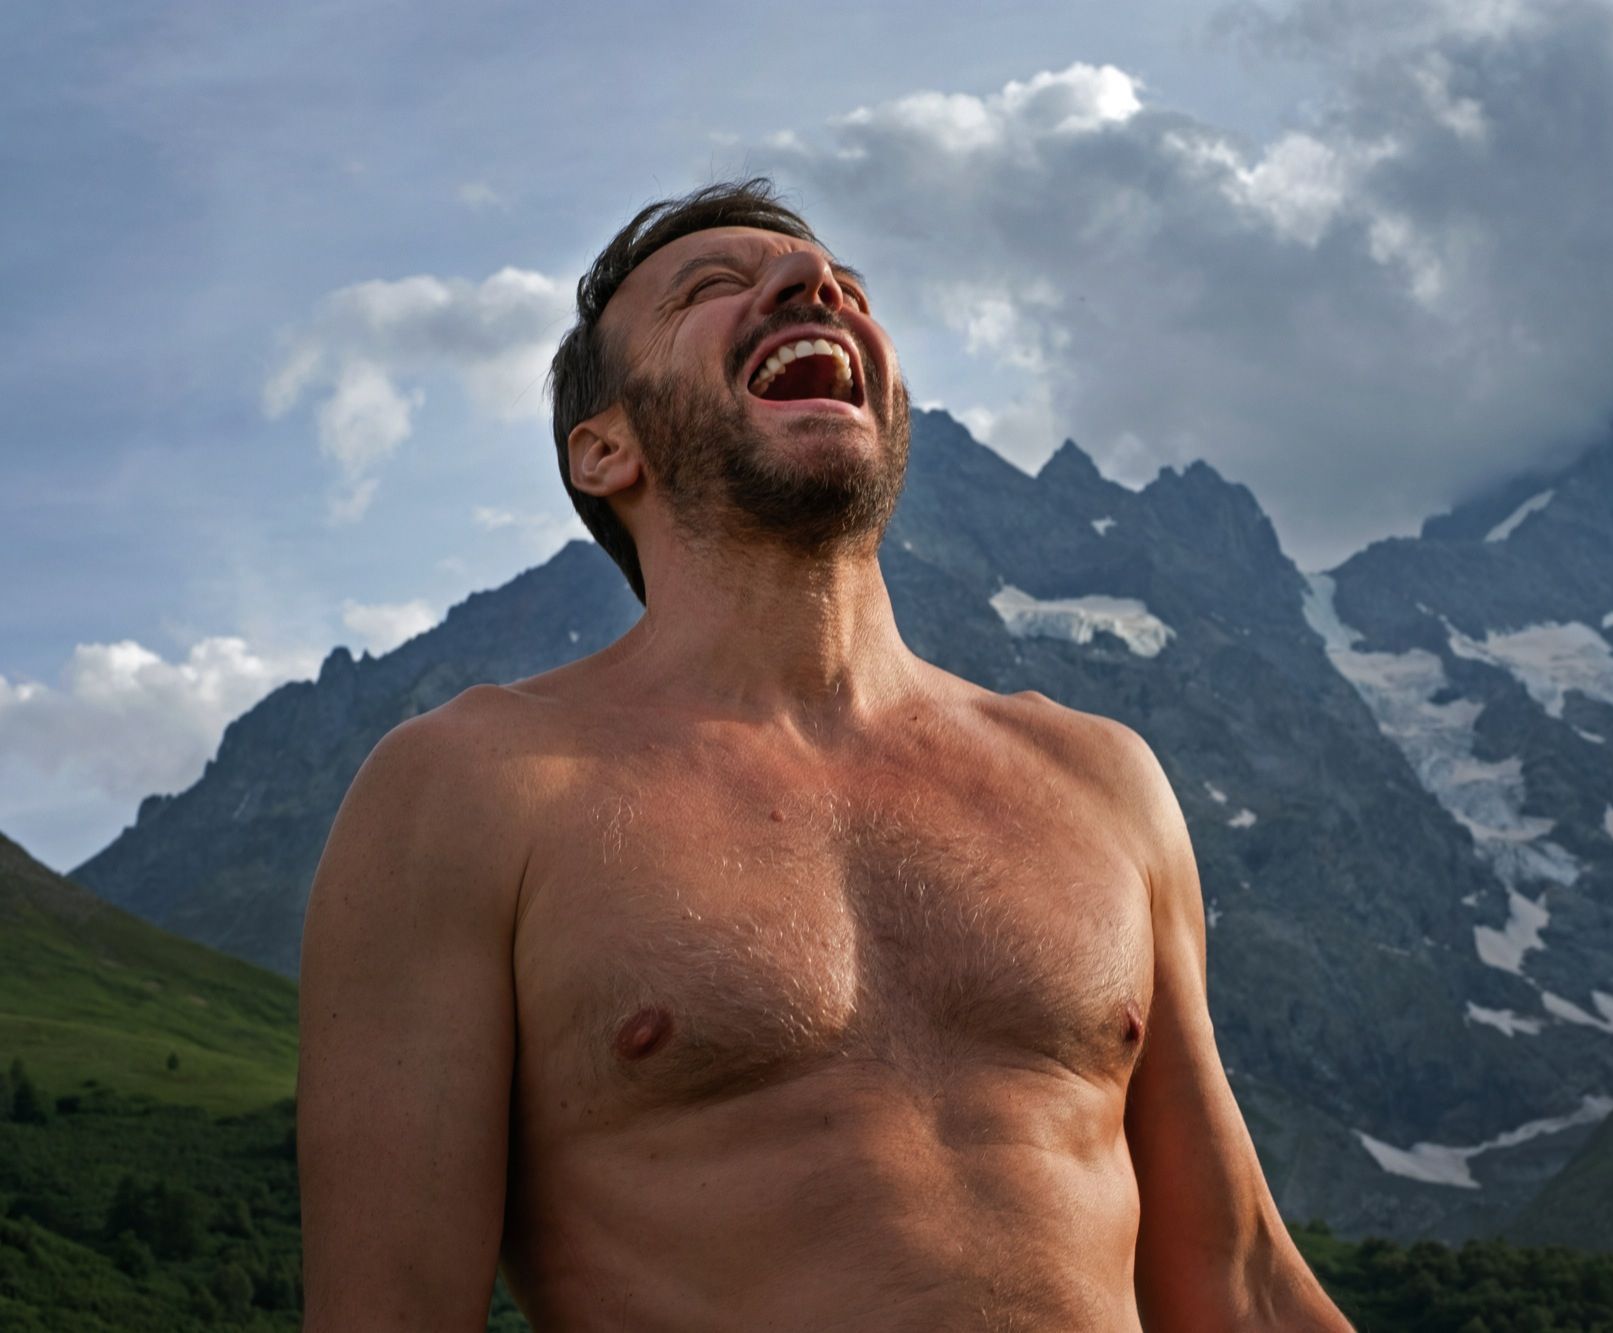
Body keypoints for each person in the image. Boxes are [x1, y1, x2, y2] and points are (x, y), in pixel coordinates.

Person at [297, 178, 1353, 1332]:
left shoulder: (1100, 779)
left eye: (843, 289)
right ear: (604, 450)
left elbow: (1237, 1287)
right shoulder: (472, 790)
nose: (816, 291)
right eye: (711, 290)